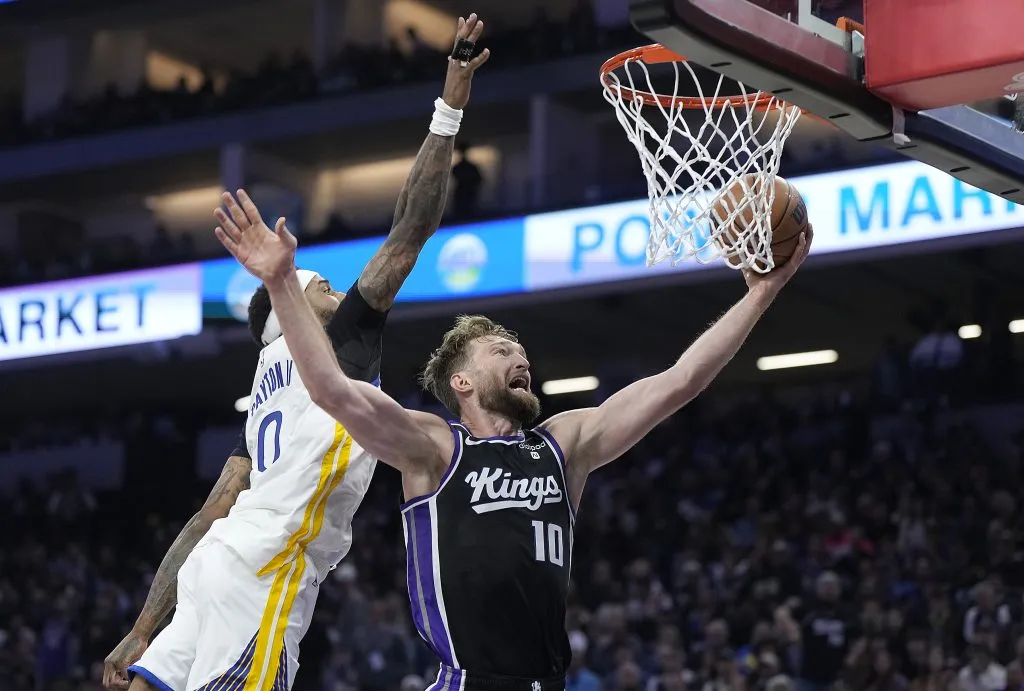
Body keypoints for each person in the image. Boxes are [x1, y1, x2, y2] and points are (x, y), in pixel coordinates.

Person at [216, 183, 811, 688]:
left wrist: (761, 293)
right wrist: (283, 283)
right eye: (502, 351)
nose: (521, 357)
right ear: (463, 380)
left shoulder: (562, 444)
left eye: (521, 351)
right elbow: (332, 391)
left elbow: (679, 381)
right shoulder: (434, 448)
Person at [100, 14, 491, 691]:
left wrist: (142, 628)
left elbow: (207, 513)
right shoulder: (337, 340)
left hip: (207, 572)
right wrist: (450, 106)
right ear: (292, 304)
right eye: (324, 284)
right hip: (263, 576)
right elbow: (410, 231)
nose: (338, 287)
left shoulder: (261, 393)